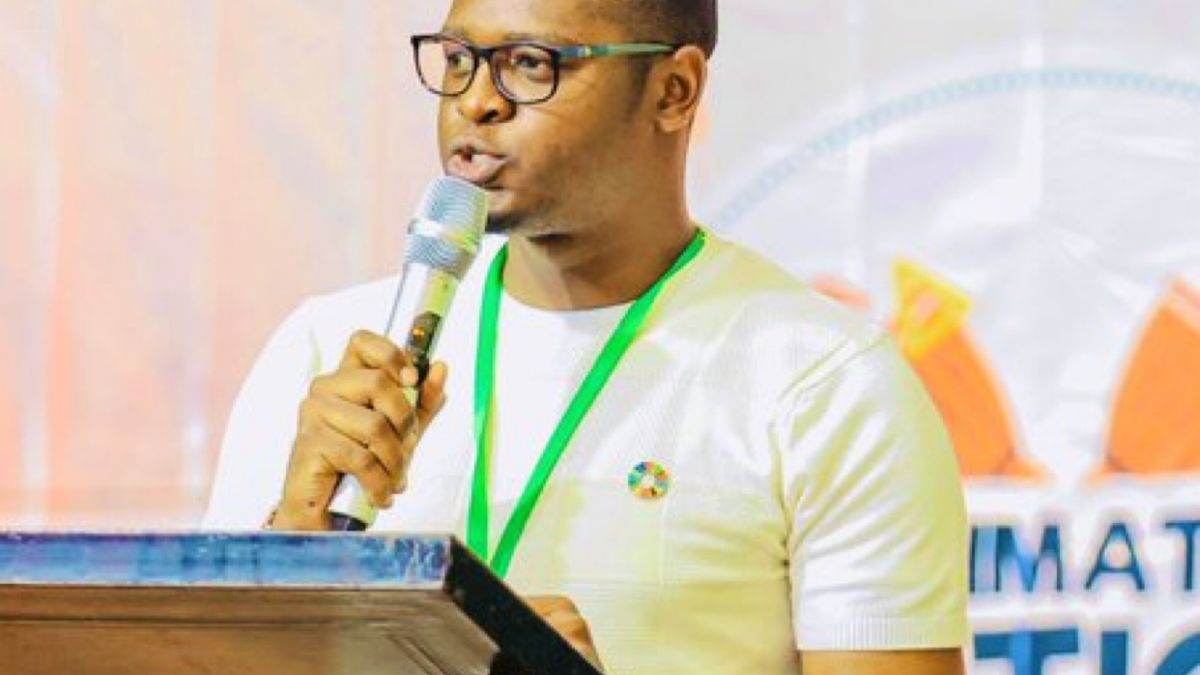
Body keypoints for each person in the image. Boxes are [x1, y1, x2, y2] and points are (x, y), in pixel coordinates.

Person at [204, 0, 970, 672]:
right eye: (459, 59)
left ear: (675, 90)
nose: (476, 101)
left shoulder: (825, 381)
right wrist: (294, 533)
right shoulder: (326, 348)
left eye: (529, 65)